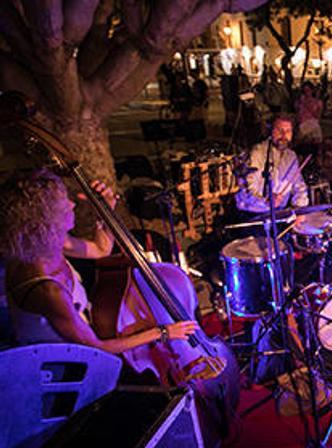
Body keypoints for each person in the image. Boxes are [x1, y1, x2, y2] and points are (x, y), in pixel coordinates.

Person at [0, 169, 197, 352]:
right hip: (65, 366)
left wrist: (106, 209)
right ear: (44, 221)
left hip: (86, 330)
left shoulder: (48, 243)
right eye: (62, 204)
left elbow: (101, 250)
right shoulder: (48, 291)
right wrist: (162, 332)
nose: (72, 204)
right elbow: (97, 347)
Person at [235, 114, 309, 219]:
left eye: (288, 131)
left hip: (279, 214)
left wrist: (300, 209)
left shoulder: (291, 156)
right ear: (270, 131)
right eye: (279, 130)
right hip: (254, 214)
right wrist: (266, 200)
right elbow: (247, 188)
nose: (284, 135)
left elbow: (299, 185)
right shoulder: (258, 152)